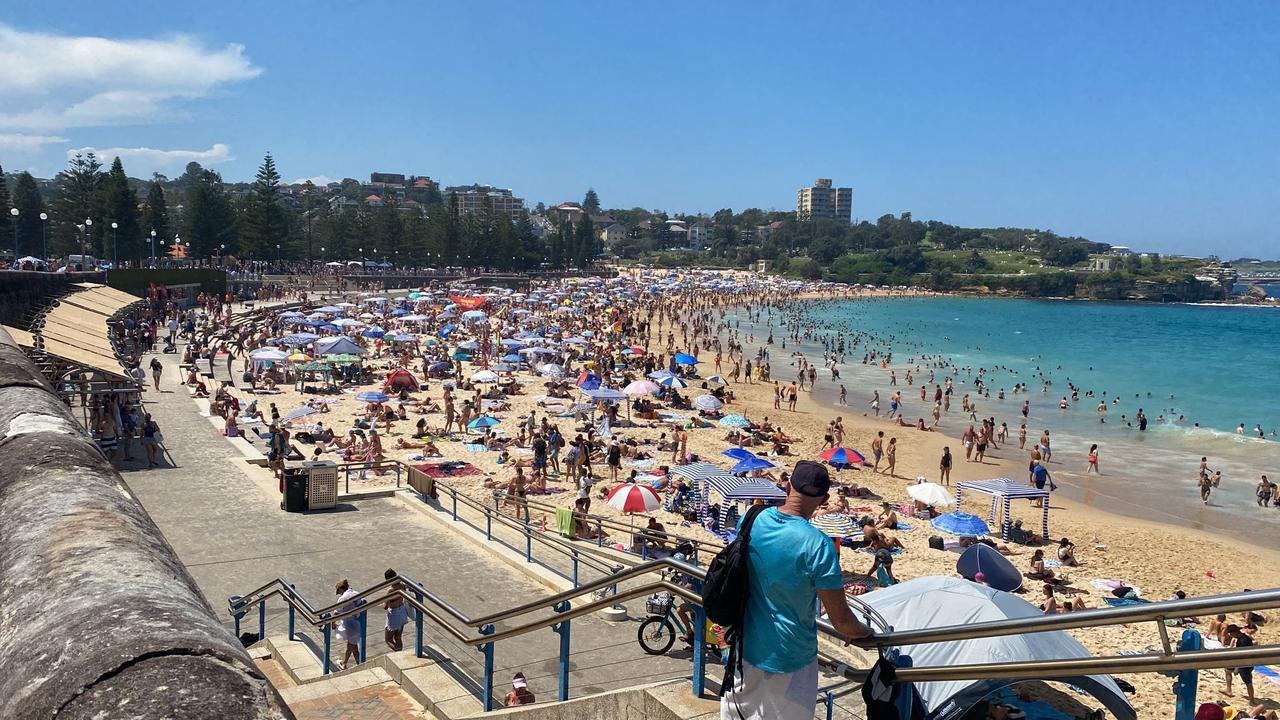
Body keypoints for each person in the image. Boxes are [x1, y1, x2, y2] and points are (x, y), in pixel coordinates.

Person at [722, 460, 873, 720]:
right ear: (824, 499)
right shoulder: (819, 546)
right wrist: (866, 632)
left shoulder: (752, 519)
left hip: (746, 646)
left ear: (789, 485)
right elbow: (842, 621)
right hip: (792, 657)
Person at [332, 579, 361, 670]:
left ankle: (358, 665)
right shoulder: (356, 593)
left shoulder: (343, 598)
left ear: (340, 589)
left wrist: (333, 623)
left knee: (352, 647)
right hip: (358, 622)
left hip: (349, 625)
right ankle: (346, 663)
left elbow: (336, 613)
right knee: (352, 645)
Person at [383, 568, 408, 651]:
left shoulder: (390, 590)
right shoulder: (403, 585)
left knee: (388, 640)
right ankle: (400, 652)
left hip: (394, 614)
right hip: (402, 611)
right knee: (398, 637)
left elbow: (385, 606)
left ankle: (398, 652)